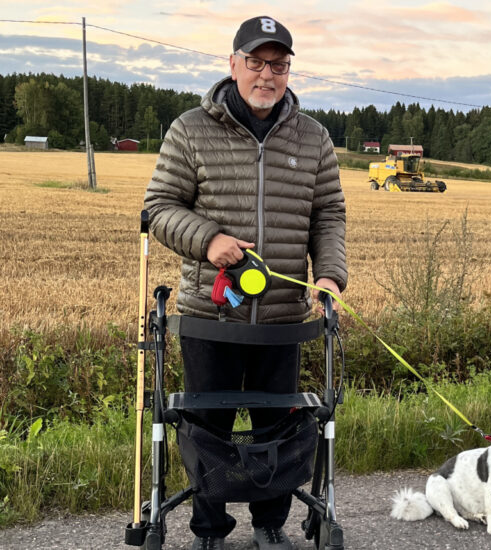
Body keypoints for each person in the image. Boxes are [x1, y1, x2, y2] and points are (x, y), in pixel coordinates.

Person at [143, 15, 347, 550]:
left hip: (283, 319)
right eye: (255, 62)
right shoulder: (190, 129)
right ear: (233, 65)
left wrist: (329, 274)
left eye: (277, 65)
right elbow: (158, 208)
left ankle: (270, 524)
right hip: (209, 317)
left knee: (276, 429)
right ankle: (209, 529)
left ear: (288, 71)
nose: (266, 75)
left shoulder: (315, 137)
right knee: (205, 425)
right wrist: (209, 239)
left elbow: (328, 216)